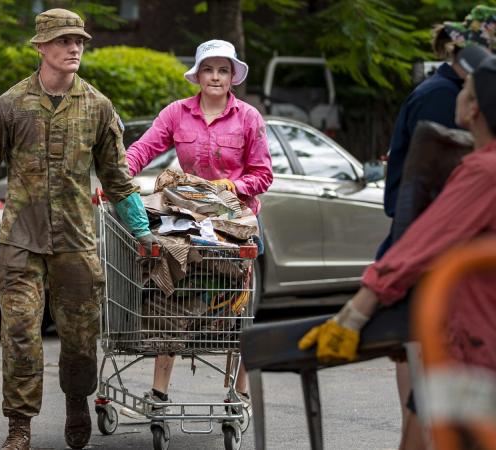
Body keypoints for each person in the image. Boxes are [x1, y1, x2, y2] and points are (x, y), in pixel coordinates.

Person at [0, 9, 157, 450]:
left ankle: (77, 401)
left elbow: (117, 178)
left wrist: (142, 231)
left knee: (79, 339)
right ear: (41, 48)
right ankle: (19, 425)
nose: (74, 48)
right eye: (63, 41)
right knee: (20, 335)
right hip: (21, 239)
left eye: (79, 41)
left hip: (77, 242)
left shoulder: (97, 106)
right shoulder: (10, 105)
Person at [299, 49, 496, 450]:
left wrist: (353, 315)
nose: (457, 93)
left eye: (466, 88)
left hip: (475, 348)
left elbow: (419, 245)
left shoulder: (483, 171)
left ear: (474, 107)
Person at [124, 39, 273, 415]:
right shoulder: (177, 113)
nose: (216, 77)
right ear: (198, 74)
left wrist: (231, 186)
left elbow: (263, 174)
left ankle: (238, 395)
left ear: (232, 76)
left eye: (223, 70)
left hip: (233, 225)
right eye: (209, 69)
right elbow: (143, 148)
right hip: (187, 224)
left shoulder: (249, 118)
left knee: (239, 311)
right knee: (171, 294)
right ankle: (158, 393)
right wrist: (119, 173)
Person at [373, 5, 495, 440]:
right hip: (431, 259)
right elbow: (422, 211)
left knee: (431, 400)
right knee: (425, 398)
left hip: (447, 269)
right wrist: (367, 300)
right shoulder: (442, 97)